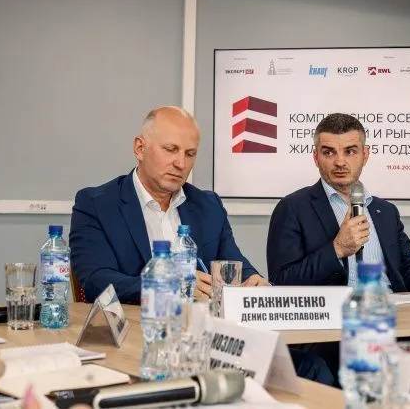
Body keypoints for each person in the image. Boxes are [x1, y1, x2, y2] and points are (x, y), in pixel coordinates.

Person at [69, 106, 333, 386]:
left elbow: (234, 265)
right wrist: (169, 287)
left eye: (190, 154)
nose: (180, 163)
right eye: (170, 149)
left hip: (209, 343)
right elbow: (96, 281)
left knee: (314, 369)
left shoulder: (208, 205)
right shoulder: (97, 204)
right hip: (139, 344)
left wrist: (254, 283)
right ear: (139, 148)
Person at [266, 113, 410, 383]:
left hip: (397, 323)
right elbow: (282, 281)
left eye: (350, 151)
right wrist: (336, 249)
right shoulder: (293, 208)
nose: (340, 161)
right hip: (336, 330)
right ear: (316, 157)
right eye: (329, 152)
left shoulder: (385, 211)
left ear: (365, 155)